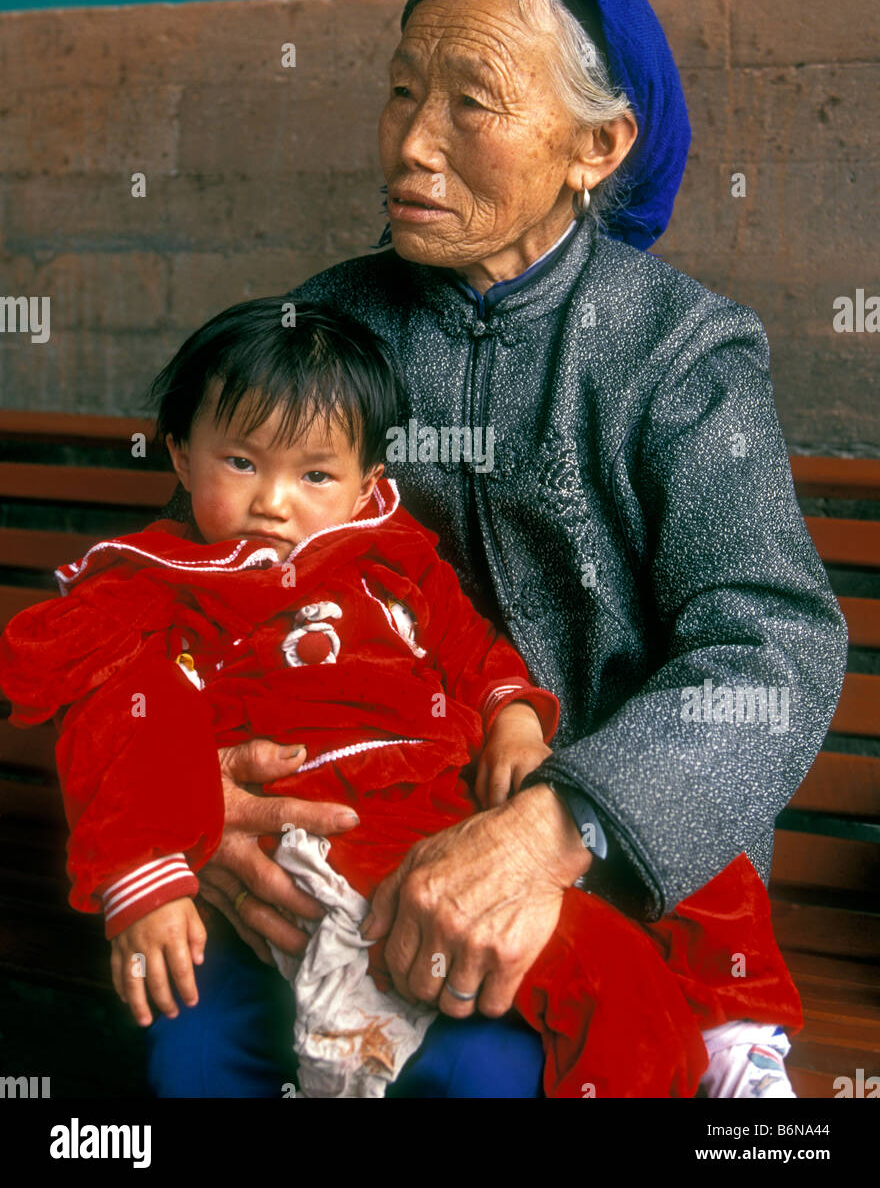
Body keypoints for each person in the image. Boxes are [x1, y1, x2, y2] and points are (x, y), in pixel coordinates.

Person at [0, 298, 803, 1098]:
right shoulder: (159, 586)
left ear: (365, 485)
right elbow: (117, 717)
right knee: (607, 979)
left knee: (677, 835)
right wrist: (150, 866)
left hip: (452, 802)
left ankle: (735, 1031)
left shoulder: (391, 556)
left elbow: (470, 645)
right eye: (241, 463)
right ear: (179, 456)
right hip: (333, 822)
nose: (274, 502)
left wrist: (515, 718)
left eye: (315, 475)